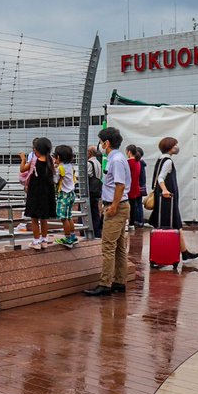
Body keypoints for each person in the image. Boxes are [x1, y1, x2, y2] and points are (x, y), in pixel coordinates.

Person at [84, 126, 132, 296]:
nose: (99, 146)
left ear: (106, 143)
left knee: (108, 246)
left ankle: (105, 283)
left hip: (116, 206)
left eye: (100, 142)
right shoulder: (117, 158)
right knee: (118, 246)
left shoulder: (116, 160)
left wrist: (112, 206)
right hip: (119, 205)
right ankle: (119, 281)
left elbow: (120, 185)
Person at [149, 136, 198, 261]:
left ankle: (185, 253)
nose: (177, 147)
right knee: (174, 224)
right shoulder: (167, 161)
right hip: (167, 200)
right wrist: (165, 190)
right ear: (170, 147)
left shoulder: (160, 159)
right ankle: (182, 254)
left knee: (176, 225)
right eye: (175, 145)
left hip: (163, 199)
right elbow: (161, 178)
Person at [19, 137, 55, 249]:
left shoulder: (34, 161)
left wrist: (23, 159)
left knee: (34, 218)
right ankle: (44, 239)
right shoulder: (51, 161)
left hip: (35, 193)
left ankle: (36, 241)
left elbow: (22, 169)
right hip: (47, 193)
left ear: (36, 150)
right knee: (44, 218)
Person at [53, 145, 78, 247]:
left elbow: (55, 180)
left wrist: (53, 171)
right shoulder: (70, 166)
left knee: (63, 218)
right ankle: (72, 236)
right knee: (69, 216)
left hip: (64, 194)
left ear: (58, 157)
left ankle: (67, 239)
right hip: (71, 193)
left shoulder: (60, 168)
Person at [86, 145, 103, 238]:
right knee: (95, 211)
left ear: (89, 153)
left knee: (87, 211)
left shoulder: (89, 163)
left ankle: (85, 231)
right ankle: (97, 232)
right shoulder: (98, 162)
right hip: (97, 189)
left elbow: (87, 175)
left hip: (90, 190)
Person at [126, 145, 143, 229]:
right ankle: (132, 223)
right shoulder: (138, 162)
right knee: (133, 206)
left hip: (128, 188)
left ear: (129, 152)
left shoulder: (128, 162)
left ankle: (127, 223)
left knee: (126, 206)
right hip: (136, 187)